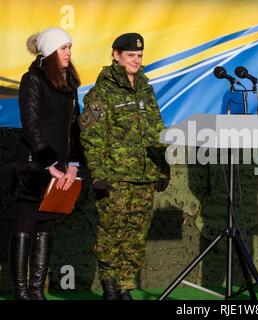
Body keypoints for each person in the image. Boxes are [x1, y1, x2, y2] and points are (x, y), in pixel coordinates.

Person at [79, 33, 170, 300]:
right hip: (115, 177)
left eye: (140, 56)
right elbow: (92, 136)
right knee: (112, 233)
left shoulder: (145, 88)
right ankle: (109, 285)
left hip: (145, 176)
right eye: (131, 56)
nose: (136, 61)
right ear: (116, 55)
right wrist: (98, 174)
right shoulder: (102, 91)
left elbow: (156, 131)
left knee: (136, 235)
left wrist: (162, 168)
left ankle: (125, 287)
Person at [10, 27, 81, 300]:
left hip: (60, 170)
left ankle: (36, 290)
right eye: (64, 48)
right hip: (32, 168)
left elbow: (74, 128)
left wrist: (72, 164)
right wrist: (49, 164)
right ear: (51, 51)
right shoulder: (32, 79)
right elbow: (31, 126)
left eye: (69, 48)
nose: (69, 53)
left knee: (46, 227)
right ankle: (21, 291)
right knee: (25, 225)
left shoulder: (69, 85)